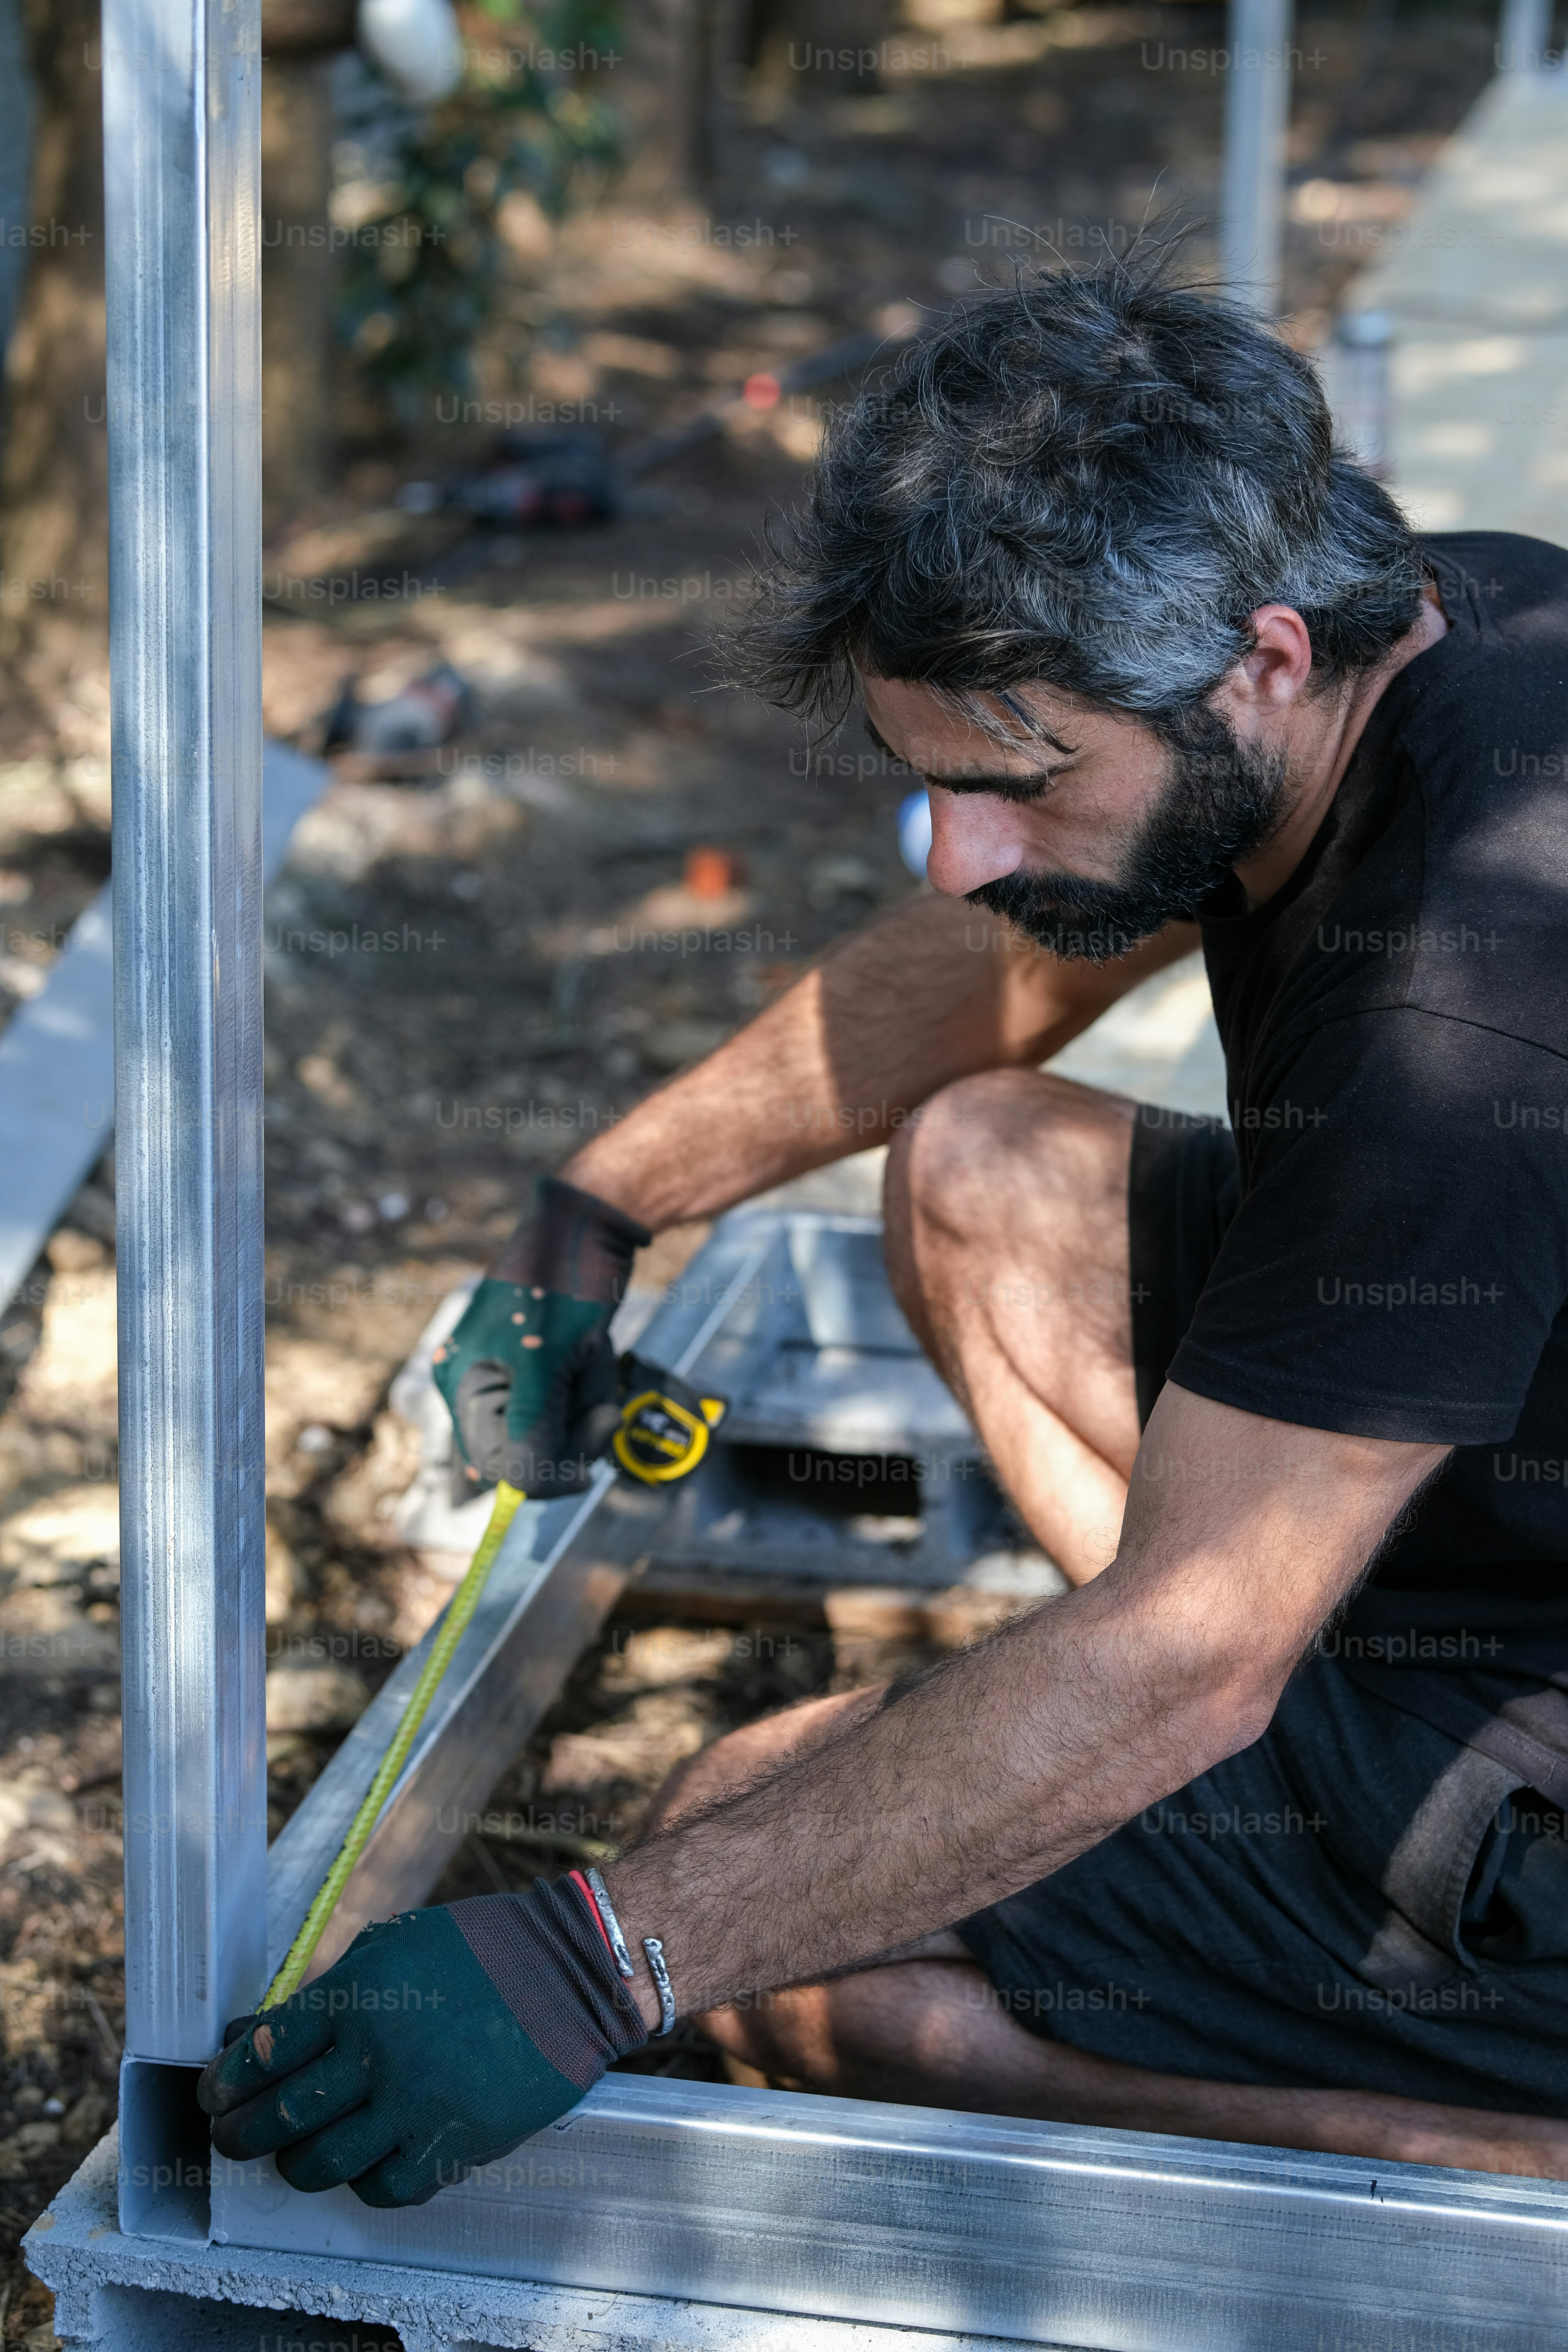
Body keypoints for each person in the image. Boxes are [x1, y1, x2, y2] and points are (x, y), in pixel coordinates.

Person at [200, 265, 1568, 2207]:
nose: (956, 855)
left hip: (1526, 1756)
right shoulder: (1429, 621)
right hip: (1501, 1484)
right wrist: (604, 1201)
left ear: (1257, 655)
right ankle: (1210, 1750)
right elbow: (985, 967)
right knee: (982, 1163)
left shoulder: (1458, 1006)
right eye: (933, 784)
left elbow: (1186, 1653)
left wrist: (595, 1960)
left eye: (1010, 785)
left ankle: (1492, 2144)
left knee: (796, 1918)